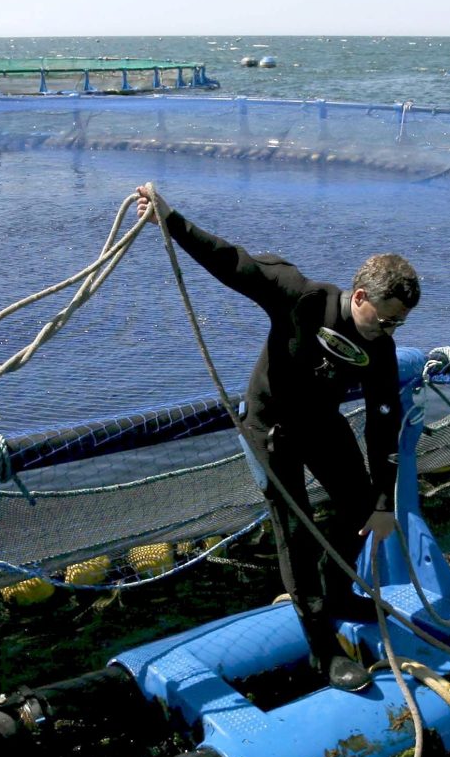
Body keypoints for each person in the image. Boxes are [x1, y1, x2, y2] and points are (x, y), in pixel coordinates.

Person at [134, 183, 418, 692]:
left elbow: (383, 424)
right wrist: (169, 219)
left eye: (400, 324)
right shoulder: (299, 297)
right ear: (359, 298)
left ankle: (338, 592)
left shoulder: (381, 349)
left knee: (360, 505)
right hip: (272, 427)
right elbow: (231, 262)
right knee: (297, 528)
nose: (391, 331)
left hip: (320, 422)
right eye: (387, 319)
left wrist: (382, 500)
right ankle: (321, 648)